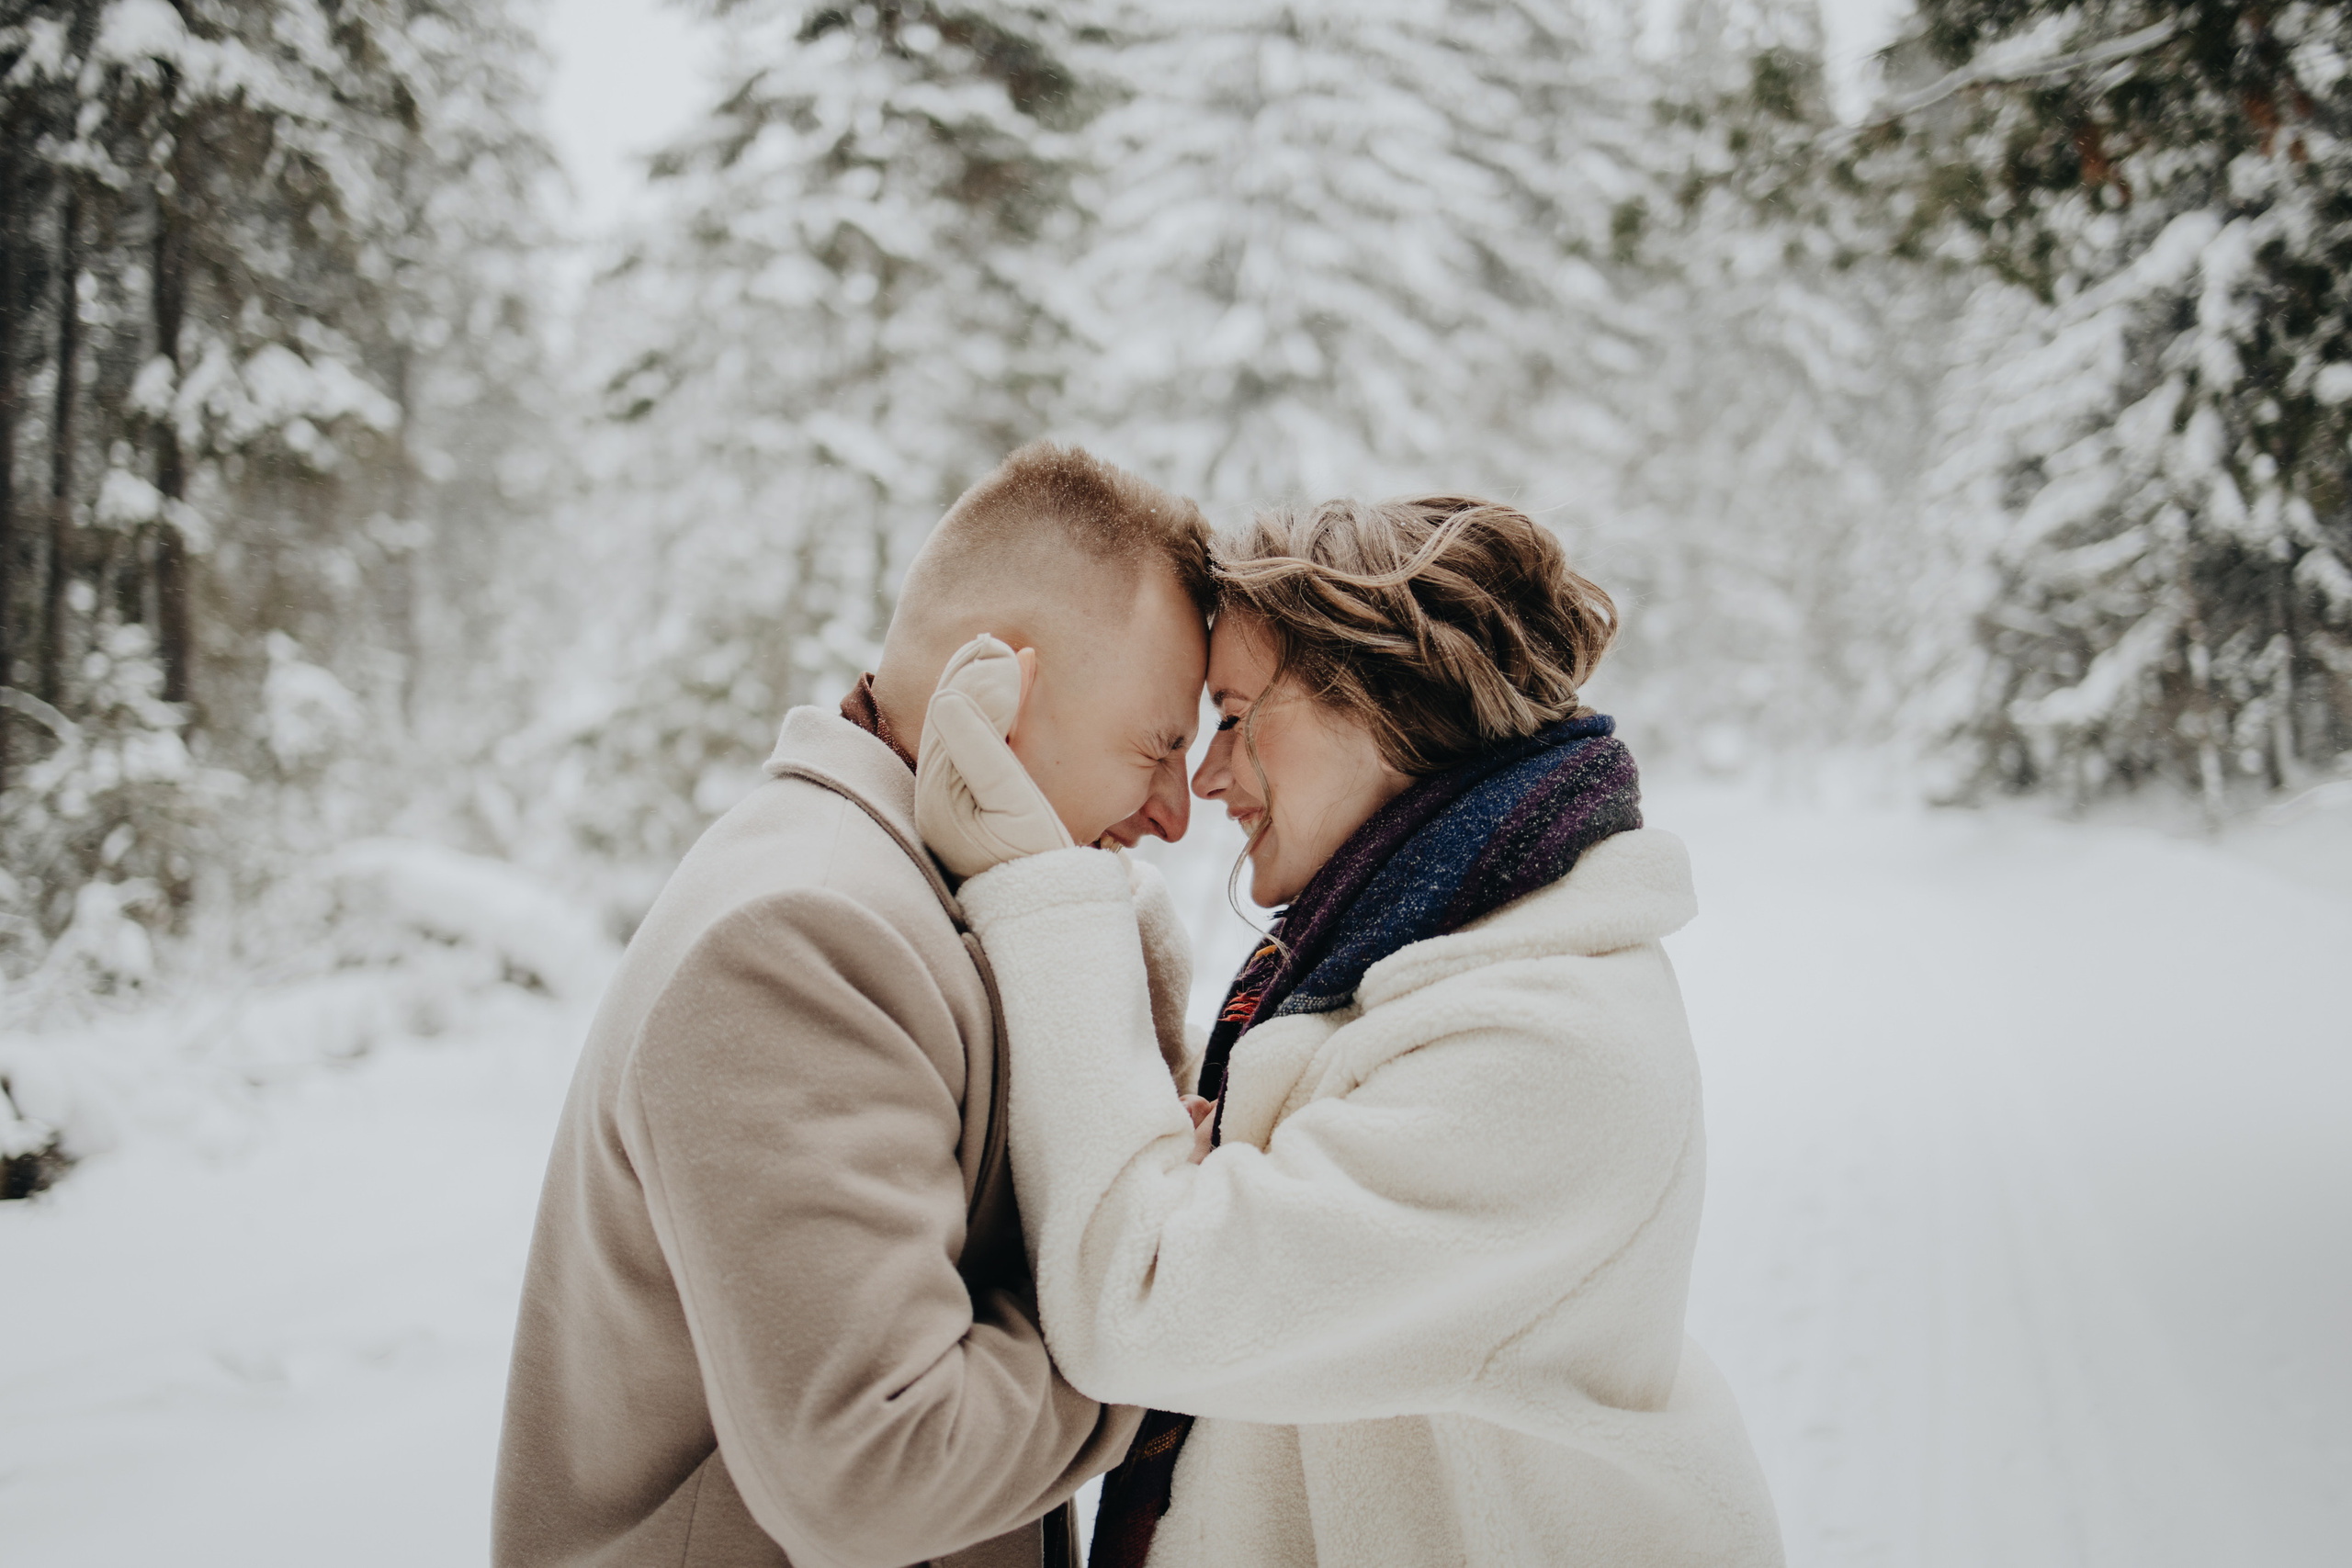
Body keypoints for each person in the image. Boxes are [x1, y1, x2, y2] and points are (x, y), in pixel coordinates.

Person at [921, 497, 1785, 1567]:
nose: (1204, 777)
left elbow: (1141, 1300)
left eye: (1234, 716)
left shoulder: (1545, 1048)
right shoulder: (1405, 955)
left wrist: (1041, 886)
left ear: (1381, 703)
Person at [492, 442, 1213, 1568]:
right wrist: (1151, 1303)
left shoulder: (911, 901)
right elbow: (875, 1469)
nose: (1176, 812)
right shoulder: (806, 938)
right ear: (997, 694)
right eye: (1159, 745)